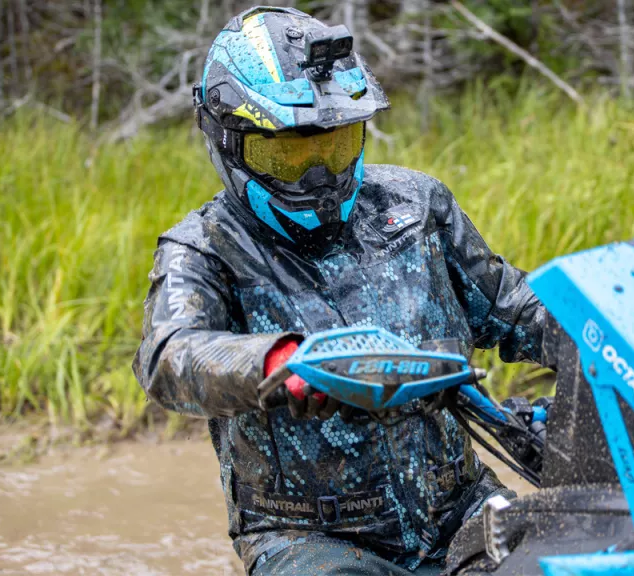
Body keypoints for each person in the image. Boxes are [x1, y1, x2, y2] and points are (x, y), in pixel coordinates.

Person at [133, 6, 556, 575]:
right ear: (229, 141)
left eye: (335, 148)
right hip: (308, 538)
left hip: (461, 509)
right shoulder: (204, 248)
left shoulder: (417, 205)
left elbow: (517, 309)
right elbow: (169, 356)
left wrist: (604, 331)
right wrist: (283, 364)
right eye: (290, 154)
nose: (320, 178)